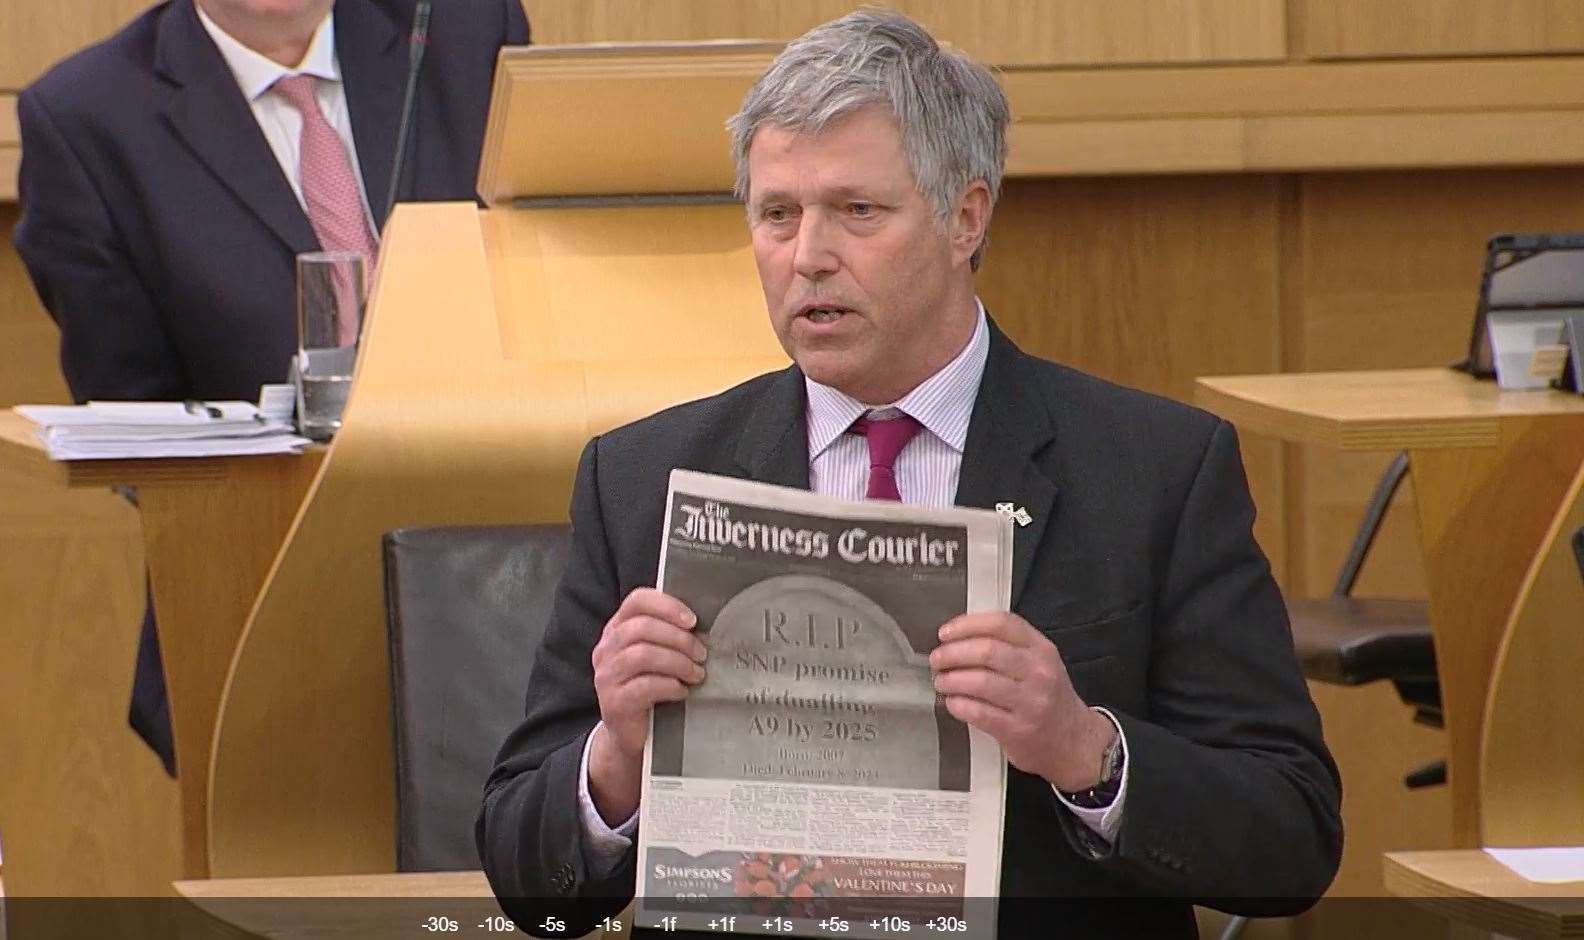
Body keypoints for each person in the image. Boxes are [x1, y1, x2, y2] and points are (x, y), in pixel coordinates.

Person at [478, 11, 1341, 938]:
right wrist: (616, 757)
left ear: (967, 217)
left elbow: (1291, 836)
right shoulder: (643, 476)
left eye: (858, 211)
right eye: (777, 215)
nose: (808, 256)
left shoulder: (1154, 471)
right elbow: (529, 887)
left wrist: (1085, 749)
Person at [13, 0, 529, 773]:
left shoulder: (465, 30)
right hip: (262, 628)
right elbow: (134, 414)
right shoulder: (88, 117)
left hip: (503, 599)